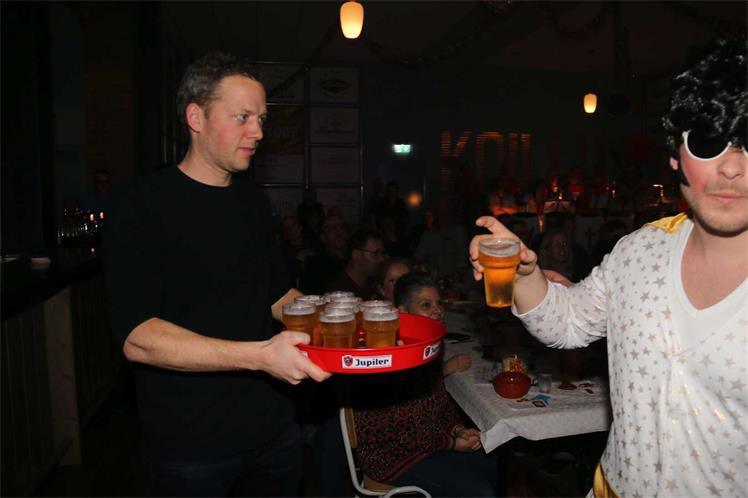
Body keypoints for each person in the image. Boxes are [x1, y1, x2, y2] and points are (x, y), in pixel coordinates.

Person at [469, 37, 747, 497]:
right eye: (710, 142)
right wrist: (522, 273)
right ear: (676, 157)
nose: (732, 168)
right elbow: (568, 322)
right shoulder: (639, 252)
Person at [103, 52, 330, 497]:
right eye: (243, 117)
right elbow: (138, 337)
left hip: (274, 431)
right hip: (190, 447)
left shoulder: (253, 203)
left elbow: (276, 296)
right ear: (196, 117)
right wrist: (261, 356)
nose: (258, 132)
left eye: (261, 119)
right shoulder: (140, 205)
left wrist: (337, 314)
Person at [352, 272, 497, 497]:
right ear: (402, 312)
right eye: (426, 305)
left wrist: (457, 429)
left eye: (438, 303)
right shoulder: (391, 356)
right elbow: (408, 434)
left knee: (491, 465)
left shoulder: (430, 345)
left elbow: (440, 401)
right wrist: (453, 443)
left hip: (425, 444)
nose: (437, 310)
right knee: (480, 491)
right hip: (392, 459)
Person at [326, 227, 386, 299]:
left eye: (382, 253)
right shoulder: (339, 293)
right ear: (356, 254)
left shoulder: (375, 284)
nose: (382, 259)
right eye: (375, 253)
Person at [299, 214, 348, 294]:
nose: (337, 229)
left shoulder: (357, 260)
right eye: (331, 227)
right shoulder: (315, 265)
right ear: (323, 237)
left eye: (340, 225)